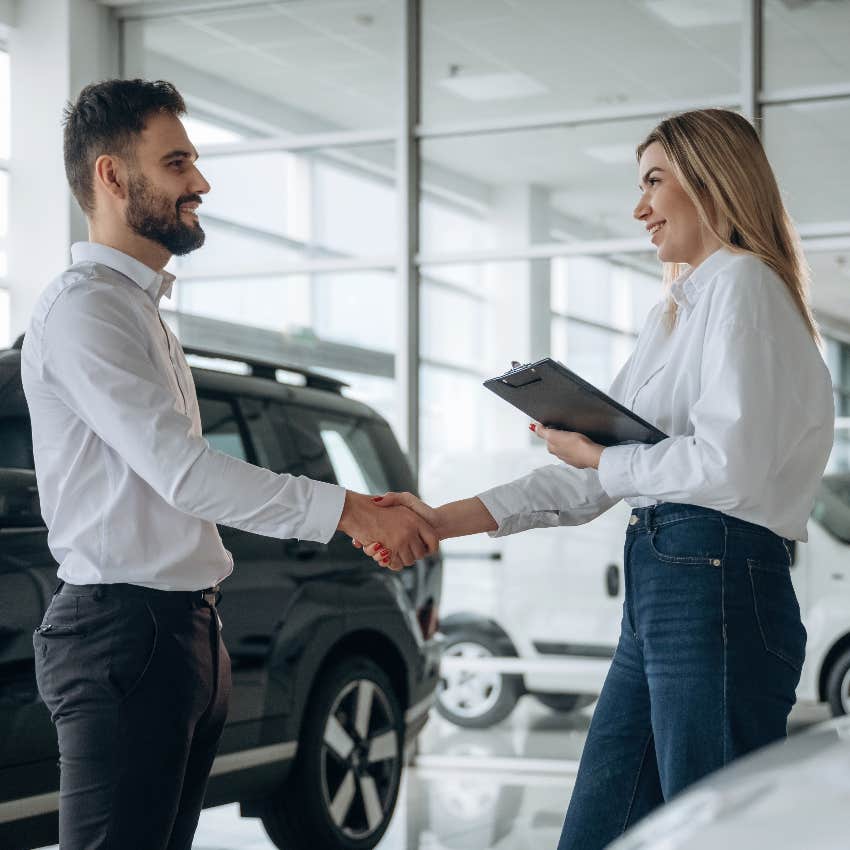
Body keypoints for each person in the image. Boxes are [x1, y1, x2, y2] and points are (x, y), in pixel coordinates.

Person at [359, 108, 834, 849]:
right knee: (599, 830)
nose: (639, 207)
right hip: (667, 582)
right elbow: (596, 480)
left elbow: (726, 467)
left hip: (715, 579)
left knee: (715, 836)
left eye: (654, 181)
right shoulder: (673, 314)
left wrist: (600, 458)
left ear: (711, 181)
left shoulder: (745, 286)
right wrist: (438, 519)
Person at [20, 78, 437, 850]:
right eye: (177, 163)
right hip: (125, 629)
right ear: (112, 176)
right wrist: (349, 510)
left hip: (180, 628)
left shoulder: (137, 309)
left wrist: (352, 508)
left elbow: (185, 477)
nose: (201, 183)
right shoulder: (86, 308)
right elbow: (184, 471)